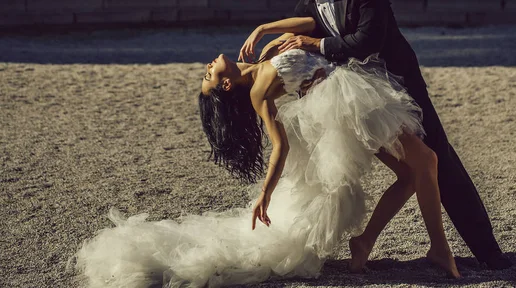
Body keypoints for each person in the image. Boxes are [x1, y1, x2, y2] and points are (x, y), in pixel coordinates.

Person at [74, 17, 461, 287]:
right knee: (424, 162)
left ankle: (366, 243)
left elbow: (310, 26)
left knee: (413, 172)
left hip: (349, 97)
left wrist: (264, 29)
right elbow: (280, 144)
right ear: (226, 87)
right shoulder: (259, 91)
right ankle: (439, 250)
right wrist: (266, 192)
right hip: (346, 106)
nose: (209, 66)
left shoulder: (261, 60)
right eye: (210, 75)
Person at [241, 0, 510, 271]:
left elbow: (370, 41)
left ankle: (488, 253)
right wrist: (266, 30)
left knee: (440, 160)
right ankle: (377, 242)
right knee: (420, 165)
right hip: (363, 100)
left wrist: (314, 43)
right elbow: (300, 33)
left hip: (400, 82)